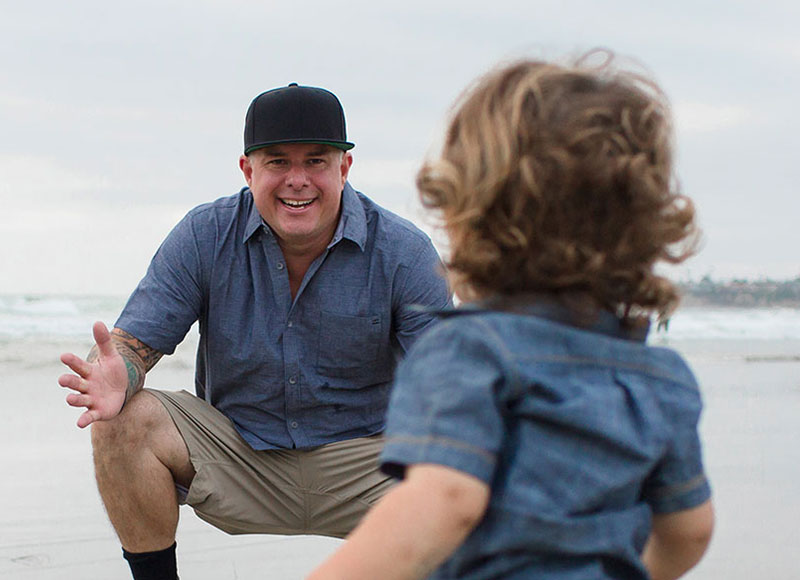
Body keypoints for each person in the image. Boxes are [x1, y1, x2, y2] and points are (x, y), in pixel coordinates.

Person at [308, 52, 714, 580]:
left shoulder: (467, 353)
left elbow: (446, 501)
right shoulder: (664, 380)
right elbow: (691, 531)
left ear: (471, 210)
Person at [58, 83, 451, 580]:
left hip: (367, 467)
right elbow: (135, 345)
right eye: (277, 162)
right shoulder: (205, 234)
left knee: (484, 454)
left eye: (316, 161)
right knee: (120, 419)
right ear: (248, 170)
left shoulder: (403, 251)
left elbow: (447, 382)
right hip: (240, 456)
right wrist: (121, 374)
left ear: (344, 168)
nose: (298, 180)